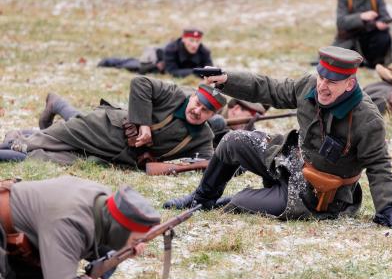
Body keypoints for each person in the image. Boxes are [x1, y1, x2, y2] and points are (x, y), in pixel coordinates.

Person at [164, 46, 392, 232]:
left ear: (350, 84)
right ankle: (202, 200)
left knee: (240, 201)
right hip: (288, 161)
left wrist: (388, 209)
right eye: (322, 78)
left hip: (316, 194)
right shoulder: (309, 86)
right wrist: (227, 80)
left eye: (333, 82)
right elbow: (268, 88)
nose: (323, 87)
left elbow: (379, 165)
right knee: (232, 141)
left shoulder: (366, 119)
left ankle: (231, 201)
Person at [0, 176, 160, 279]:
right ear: (120, 230)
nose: (139, 245)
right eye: (136, 240)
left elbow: (104, 249)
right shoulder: (70, 222)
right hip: (6, 232)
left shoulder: (101, 204)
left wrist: (122, 253)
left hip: (19, 238)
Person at [1, 77, 226, 167]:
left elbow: (208, 162)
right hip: (103, 128)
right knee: (32, 143)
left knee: (46, 158)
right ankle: (15, 139)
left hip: (115, 156)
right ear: (193, 96)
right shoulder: (174, 95)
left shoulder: (203, 136)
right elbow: (140, 83)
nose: (197, 111)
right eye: (197, 103)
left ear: (211, 116)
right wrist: (144, 124)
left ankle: (53, 109)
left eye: (205, 111)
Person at [332, 0, 392, 68]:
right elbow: (341, 22)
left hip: (371, 35)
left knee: (384, 37)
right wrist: (361, 17)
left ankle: (375, 64)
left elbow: (385, 16)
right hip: (351, 38)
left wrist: (382, 24)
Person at [98, 28, 213, 78]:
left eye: (197, 41)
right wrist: (196, 72)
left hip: (176, 68)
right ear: (184, 39)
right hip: (156, 61)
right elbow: (171, 72)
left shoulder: (204, 51)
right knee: (134, 66)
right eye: (191, 40)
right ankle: (108, 62)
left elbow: (210, 70)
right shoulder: (171, 48)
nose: (194, 44)